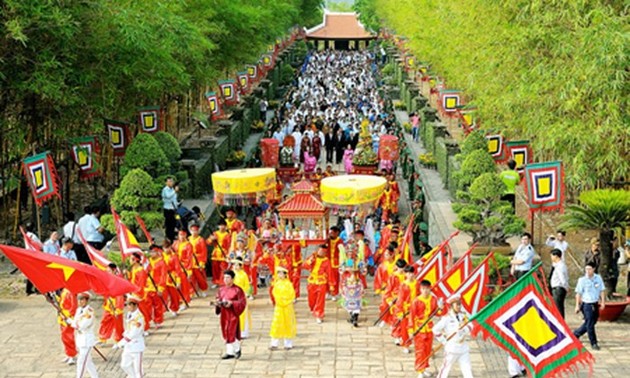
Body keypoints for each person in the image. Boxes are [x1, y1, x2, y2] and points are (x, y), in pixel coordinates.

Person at [433, 295, 473, 378]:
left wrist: (463, 328)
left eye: (459, 304)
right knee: (444, 371)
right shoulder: (447, 318)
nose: (459, 306)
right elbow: (435, 330)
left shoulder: (463, 316)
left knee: (467, 371)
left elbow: (471, 326)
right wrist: (443, 340)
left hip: (463, 347)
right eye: (457, 304)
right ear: (451, 306)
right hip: (452, 348)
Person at [409, 279, 441, 377]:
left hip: (429, 328)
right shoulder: (416, 301)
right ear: (420, 289)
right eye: (423, 289)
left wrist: (441, 308)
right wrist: (411, 330)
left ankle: (424, 368)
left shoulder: (433, 299)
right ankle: (419, 370)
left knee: (427, 349)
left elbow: (437, 313)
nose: (425, 291)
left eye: (427, 289)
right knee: (420, 350)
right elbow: (412, 316)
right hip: (419, 328)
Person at [214, 270, 247, 359]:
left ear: (232, 279)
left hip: (232, 314)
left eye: (228, 277)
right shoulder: (221, 289)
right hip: (224, 314)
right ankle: (230, 352)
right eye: (224, 277)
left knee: (231, 332)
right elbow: (218, 298)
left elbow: (242, 302)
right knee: (225, 332)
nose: (225, 279)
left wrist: (232, 303)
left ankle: (237, 348)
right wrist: (218, 303)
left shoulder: (238, 290)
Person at [573, 262, 606, 350]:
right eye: (586, 269)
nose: (587, 271)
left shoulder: (598, 278)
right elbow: (578, 293)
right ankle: (593, 342)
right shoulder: (582, 280)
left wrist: (603, 302)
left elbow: (602, 290)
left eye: (589, 269)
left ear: (594, 269)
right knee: (590, 324)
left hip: (595, 303)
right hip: (586, 304)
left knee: (591, 322)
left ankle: (576, 334)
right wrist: (577, 305)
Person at [114, 295, 145, 378]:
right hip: (128, 346)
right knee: (124, 365)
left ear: (135, 305)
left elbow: (134, 333)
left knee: (138, 370)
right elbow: (128, 327)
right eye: (127, 305)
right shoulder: (129, 314)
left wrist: (121, 342)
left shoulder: (139, 317)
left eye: (130, 305)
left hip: (136, 346)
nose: (128, 307)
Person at [71, 292, 99, 378]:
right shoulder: (78, 310)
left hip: (87, 340)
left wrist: (74, 324)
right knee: (88, 362)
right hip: (80, 339)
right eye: (79, 299)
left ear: (87, 300)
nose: (80, 301)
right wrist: (70, 321)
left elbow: (82, 325)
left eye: (82, 299)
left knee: (81, 361)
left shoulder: (89, 311)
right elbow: (75, 322)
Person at [269, 266, 297, 350]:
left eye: (281, 273)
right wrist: (278, 300)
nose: (279, 275)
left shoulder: (289, 284)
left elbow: (292, 295)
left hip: (287, 307)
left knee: (287, 324)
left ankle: (288, 344)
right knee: (276, 324)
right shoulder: (276, 283)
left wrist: (285, 301)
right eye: (278, 273)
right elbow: (274, 293)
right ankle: (274, 343)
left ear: (285, 274)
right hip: (279, 306)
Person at [304, 245, 333, 324]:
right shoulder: (312, 257)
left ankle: (319, 314)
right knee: (311, 299)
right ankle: (314, 309)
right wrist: (310, 261)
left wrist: (331, 285)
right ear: (317, 250)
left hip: (321, 282)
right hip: (312, 281)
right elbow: (305, 266)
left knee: (320, 300)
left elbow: (330, 273)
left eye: (324, 252)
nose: (322, 253)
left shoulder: (327, 261)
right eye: (320, 251)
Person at [98, 264, 125, 344]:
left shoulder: (117, 280)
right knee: (105, 321)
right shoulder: (106, 280)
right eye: (107, 271)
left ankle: (119, 339)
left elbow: (120, 295)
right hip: (108, 305)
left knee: (118, 324)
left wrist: (118, 308)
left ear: (114, 271)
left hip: (116, 305)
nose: (107, 272)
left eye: (109, 271)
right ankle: (103, 337)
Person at [231, 257, 252, 339]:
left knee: (242, 314)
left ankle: (243, 332)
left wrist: (246, 294)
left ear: (241, 266)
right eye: (234, 265)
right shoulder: (231, 274)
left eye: (237, 265)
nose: (235, 267)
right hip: (233, 295)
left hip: (241, 295)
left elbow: (247, 286)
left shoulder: (243, 275)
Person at [57, 288, 78, 365]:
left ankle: (72, 355)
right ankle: (68, 353)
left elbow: (74, 306)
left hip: (67, 317)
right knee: (64, 336)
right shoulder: (64, 290)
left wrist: (69, 316)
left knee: (69, 337)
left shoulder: (71, 292)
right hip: (63, 316)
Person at [208, 220, 231, 288]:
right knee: (215, 269)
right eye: (220, 225)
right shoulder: (215, 233)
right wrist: (212, 239)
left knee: (223, 268)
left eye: (223, 225)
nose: (222, 227)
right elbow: (208, 242)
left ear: (226, 226)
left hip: (224, 253)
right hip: (215, 253)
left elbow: (229, 245)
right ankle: (216, 281)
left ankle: (222, 282)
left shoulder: (228, 235)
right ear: (218, 226)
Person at [188, 223, 209, 296]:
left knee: (200, 278)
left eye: (195, 230)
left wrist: (202, 262)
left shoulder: (200, 240)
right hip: (190, 262)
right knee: (191, 278)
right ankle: (192, 291)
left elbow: (203, 252)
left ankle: (203, 290)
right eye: (192, 230)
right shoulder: (188, 239)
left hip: (198, 261)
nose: (194, 232)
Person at [549, 249, 569, 318]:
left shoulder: (560, 266)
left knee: (558, 306)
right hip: (557, 288)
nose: (551, 258)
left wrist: (565, 286)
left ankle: (560, 321)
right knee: (557, 306)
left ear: (556, 256)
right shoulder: (557, 265)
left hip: (559, 288)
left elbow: (562, 277)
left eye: (552, 256)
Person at [327, 226, 345, 300]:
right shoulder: (327, 240)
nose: (331, 234)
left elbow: (342, 252)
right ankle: (327, 292)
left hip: (336, 263)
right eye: (330, 233)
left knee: (335, 279)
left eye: (332, 233)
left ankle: (335, 293)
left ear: (337, 233)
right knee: (327, 278)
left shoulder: (340, 241)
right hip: (328, 262)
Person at [162, 177, 179, 242]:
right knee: (168, 224)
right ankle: (169, 237)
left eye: (172, 181)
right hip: (168, 209)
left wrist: (177, 203)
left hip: (173, 209)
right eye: (169, 181)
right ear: (166, 183)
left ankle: (172, 236)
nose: (171, 183)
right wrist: (175, 191)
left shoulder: (172, 189)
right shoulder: (165, 190)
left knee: (173, 223)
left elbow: (174, 198)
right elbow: (168, 196)